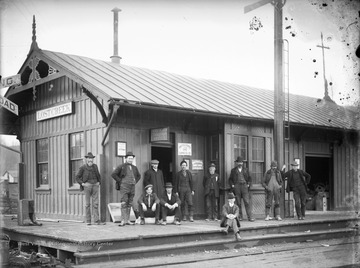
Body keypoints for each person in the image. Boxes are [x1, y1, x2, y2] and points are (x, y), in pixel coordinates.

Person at [111, 151, 141, 226]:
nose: (130, 160)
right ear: (126, 158)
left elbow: (139, 176)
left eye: (132, 158)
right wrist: (120, 182)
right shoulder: (122, 166)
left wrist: (134, 182)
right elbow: (113, 174)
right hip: (124, 187)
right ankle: (122, 220)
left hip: (132, 187)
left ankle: (127, 220)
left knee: (130, 203)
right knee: (124, 203)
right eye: (129, 158)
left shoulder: (134, 168)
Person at [76, 152, 105, 225]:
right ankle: (88, 221)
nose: (90, 160)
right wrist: (82, 184)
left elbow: (99, 175)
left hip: (95, 185)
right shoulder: (82, 167)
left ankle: (96, 220)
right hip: (87, 186)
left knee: (96, 204)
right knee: (87, 204)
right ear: (86, 159)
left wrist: (99, 182)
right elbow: (77, 177)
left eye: (91, 158)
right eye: (89, 158)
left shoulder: (95, 166)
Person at [228, 156, 255, 222]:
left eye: (241, 162)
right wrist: (232, 185)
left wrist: (248, 184)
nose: (240, 164)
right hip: (237, 187)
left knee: (247, 202)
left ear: (242, 163)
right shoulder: (233, 170)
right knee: (238, 202)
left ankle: (250, 217)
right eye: (238, 162)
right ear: (236, 163)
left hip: (244, 186)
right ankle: (240, 217)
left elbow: (250, 178)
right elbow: (230, 179)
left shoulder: (246, 170)